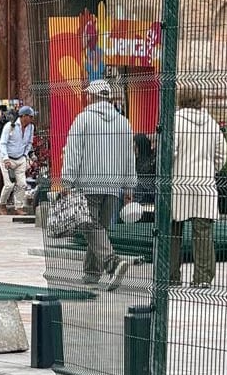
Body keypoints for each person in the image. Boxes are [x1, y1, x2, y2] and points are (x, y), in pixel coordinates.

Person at [61, 80, 136, 291]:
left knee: (89, 226)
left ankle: (112, 263)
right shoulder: (123, 122)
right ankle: (91, 273)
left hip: (88, 183)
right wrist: (129, 187)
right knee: (99, 228)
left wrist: (67, 181)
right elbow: (129, 157)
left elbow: (73, 153)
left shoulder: (83, 119)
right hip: (113, 186)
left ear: (90, 97)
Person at [169, 88, 227, 288]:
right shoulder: (211, 123)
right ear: (200, 101)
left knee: (173, 230)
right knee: (203, 232)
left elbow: (170, 151)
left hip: (179, 182)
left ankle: (171, 275)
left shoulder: (175, 121)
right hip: (204, 183)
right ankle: (202, 278)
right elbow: (222, 153)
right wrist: (211, 170)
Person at [0, 106, 36, 215]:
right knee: (9, 185)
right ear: (23, 116)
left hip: (20, 158)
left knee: (22, 184)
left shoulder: (31, 127)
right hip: (8, 158)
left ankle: (18, 206)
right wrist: (5, 159)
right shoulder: (10, 126)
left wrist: (25, 155)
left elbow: (29, 143)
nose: (32, 119)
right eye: (30, 116)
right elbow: (3, 143)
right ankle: (2, 203)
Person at [134, 134, 157, 205]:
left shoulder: (150, 161)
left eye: (136, 147)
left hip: (148, 193)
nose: (134, 149)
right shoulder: (136, 160)